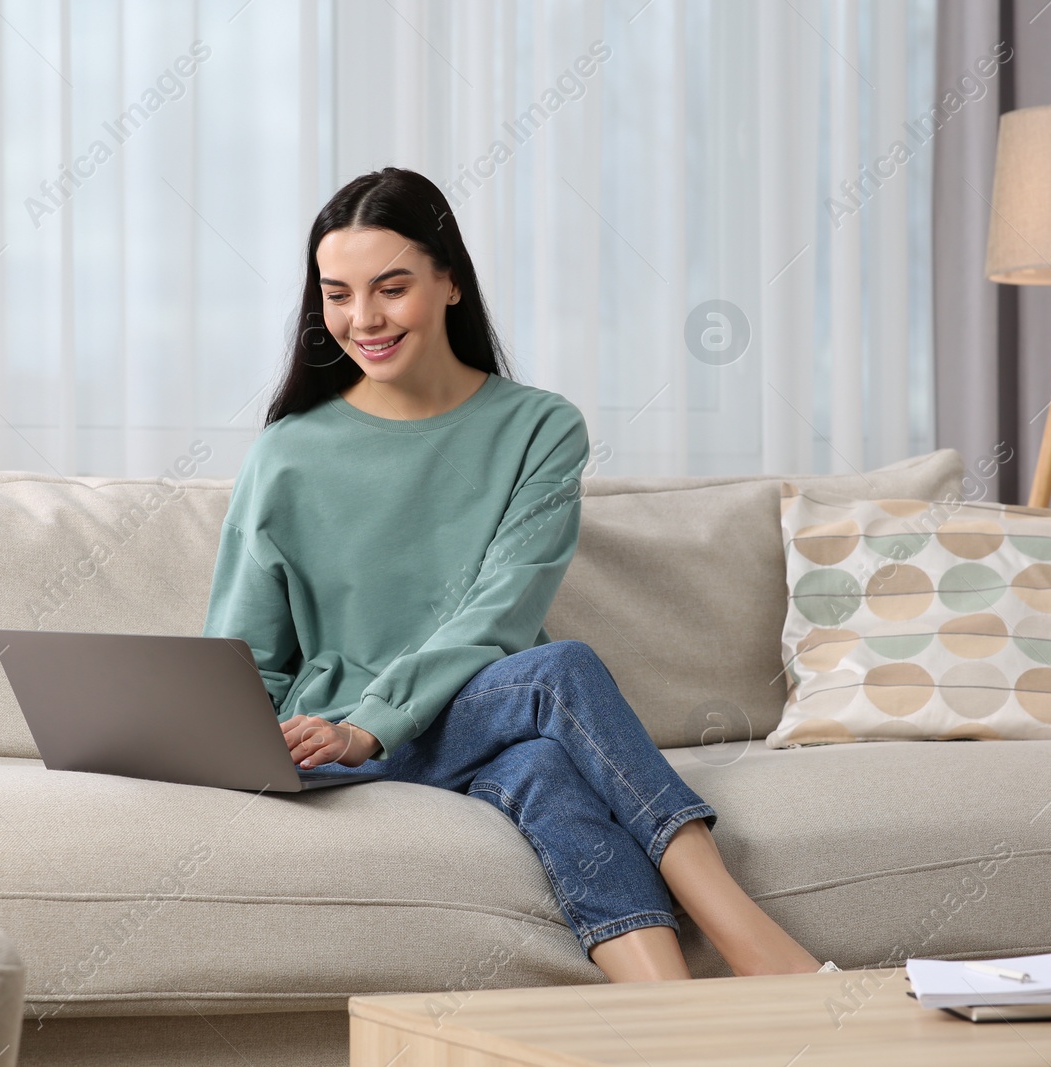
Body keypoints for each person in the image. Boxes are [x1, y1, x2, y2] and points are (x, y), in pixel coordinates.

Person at [203, 166, 820, 982]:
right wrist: (323, 733)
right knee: (560, 670)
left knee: (545, 765)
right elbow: (243, 650)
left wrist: (378, 720)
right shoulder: (286, 452)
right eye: (338, 293)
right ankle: (754, 942)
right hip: (341, 739)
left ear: (450, 281)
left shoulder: (538, 428)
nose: (363, 319)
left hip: (473, 720)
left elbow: (497, 614)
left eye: (391, 288)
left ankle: (675, 1017)